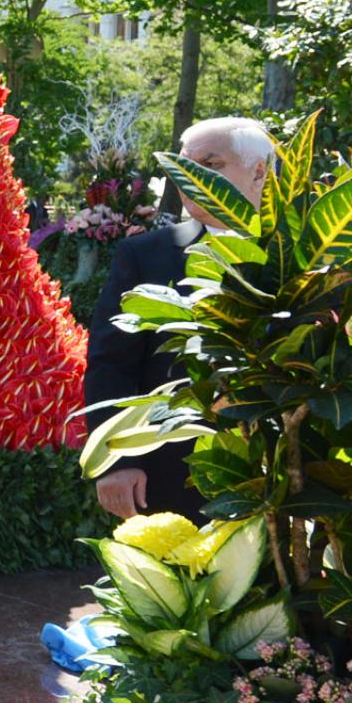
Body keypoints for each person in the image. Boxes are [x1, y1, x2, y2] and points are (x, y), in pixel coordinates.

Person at [87, 116, 271, 520]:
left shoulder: (305, 251)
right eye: (183, 164)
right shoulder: (145, 255)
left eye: (211, 165)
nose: (191, 176)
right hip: (171, 477)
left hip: (285, 474)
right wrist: (117, 462)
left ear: (259, 172)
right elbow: (112, 364)